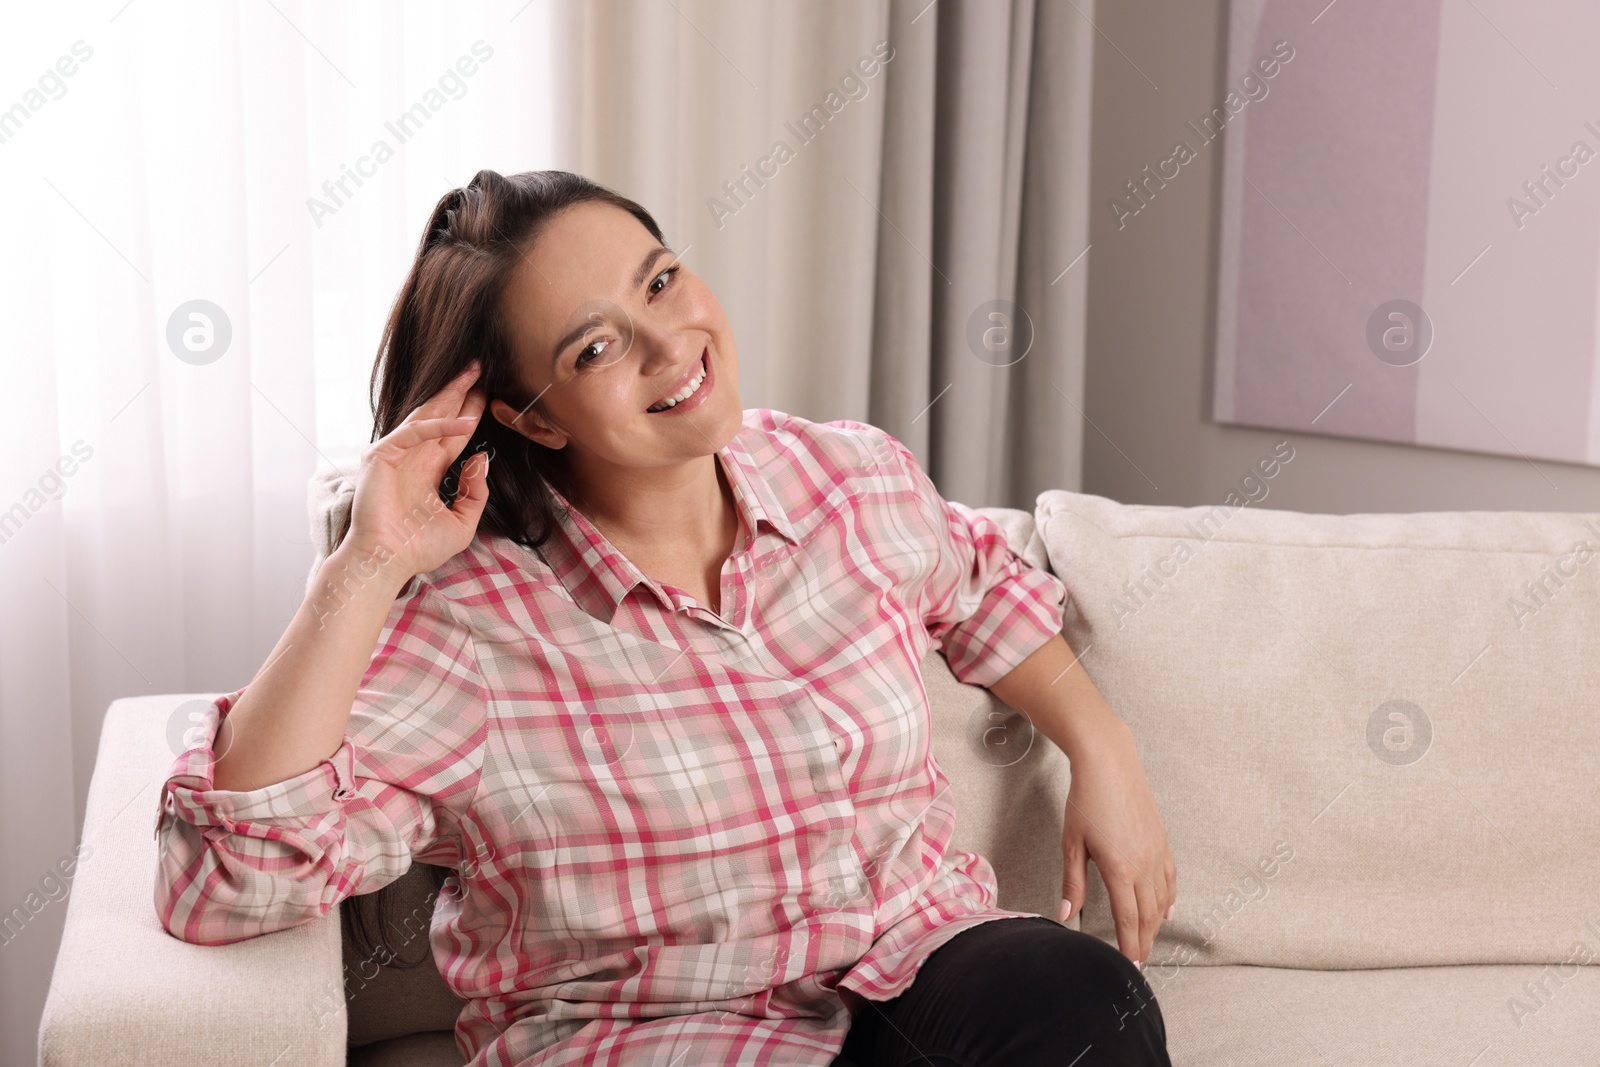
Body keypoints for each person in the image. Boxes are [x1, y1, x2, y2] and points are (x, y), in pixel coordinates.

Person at [153, 169, 1176, 1066]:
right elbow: (225, 880)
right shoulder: (471, 628)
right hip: (663, 1031)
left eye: (660, 279)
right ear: (531, 415)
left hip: (916, 959)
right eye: (597, 346)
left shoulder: (849, 478)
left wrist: (1103, 744)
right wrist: (362, 565)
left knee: (1084, 998)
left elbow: (980, 584)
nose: (669, 344)